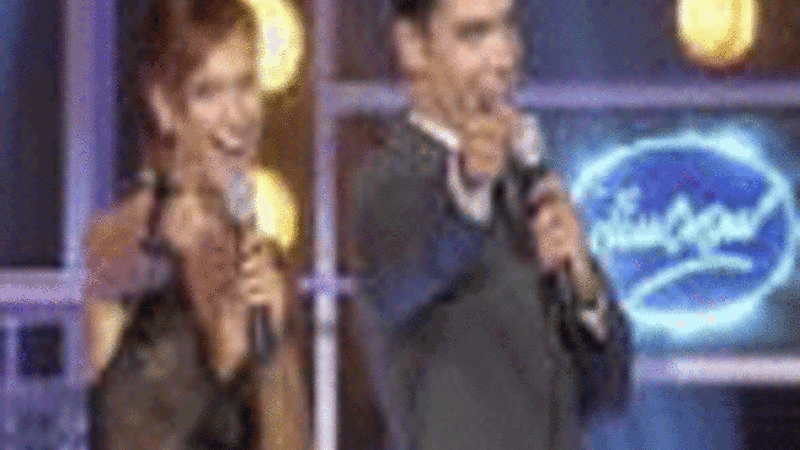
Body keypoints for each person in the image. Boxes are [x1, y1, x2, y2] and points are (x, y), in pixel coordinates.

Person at [347, 0, 633, 449]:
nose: (503, 57)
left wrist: (582, 285)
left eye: (508, 27)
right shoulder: (389, 185)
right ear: (413, 46)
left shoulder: (528, 187)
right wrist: (468, 183)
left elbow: (608, 395)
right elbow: (410, 271)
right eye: (474, 34)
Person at [80, 0, 310, 448]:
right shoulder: (125, 241)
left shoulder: (262, 260)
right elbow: (121, 431)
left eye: (246, 86)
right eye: (208, 92)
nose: (236, 116)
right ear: (165, 106)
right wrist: (224, 359)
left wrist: (272, 342)